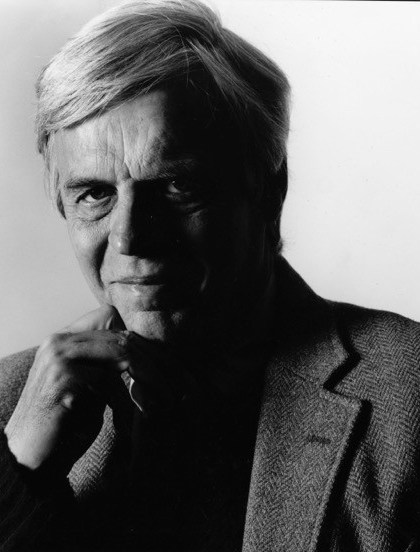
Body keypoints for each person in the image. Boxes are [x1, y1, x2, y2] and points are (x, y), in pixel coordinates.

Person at [0, 1, 419, 550]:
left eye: (177, 186)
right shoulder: (11, 407)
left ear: (268, 192)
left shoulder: (409, 395)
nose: (129, 239)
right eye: (95, 194)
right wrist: (19, 478)